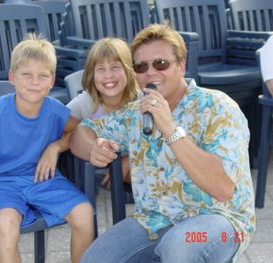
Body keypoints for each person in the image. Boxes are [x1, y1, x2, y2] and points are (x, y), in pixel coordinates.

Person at [70, 23, 255, 263]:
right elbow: (81, 133)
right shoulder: (135, 112)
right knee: (94, 259)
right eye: (141, 66)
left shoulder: (218, 107)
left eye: (161, 63)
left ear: (181, 65)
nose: (151, 73)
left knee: (179, 247)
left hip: (220, 223)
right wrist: (94, 148)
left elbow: (222, 189)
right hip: (155, 221)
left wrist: (170, 128)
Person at [0, 34, 94, 263]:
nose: (35, 82)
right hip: (0, 183)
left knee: (84, 214)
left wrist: (54, 147)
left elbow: (77, 131)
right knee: (6, 226)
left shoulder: (56, 111)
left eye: (42, 76)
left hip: (42, 179)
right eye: (27, 75)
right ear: (12, 77)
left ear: (52, 80)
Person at [41, 37, 140, 187]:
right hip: (96, 161)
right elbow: (62, 128)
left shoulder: (140, 99)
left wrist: (129, 161)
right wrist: (55, 147)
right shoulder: (86, 101)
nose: (108, 75)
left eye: (115, 67)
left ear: (128, 70)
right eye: (101, 69)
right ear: (92, 75)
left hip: (138, 164)